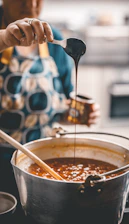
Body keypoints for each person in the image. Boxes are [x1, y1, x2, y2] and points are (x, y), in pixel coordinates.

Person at [0, 0, 100, 198]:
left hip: (44, 161)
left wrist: (77, 114)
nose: (30, 3)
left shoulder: (55, 41)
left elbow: (62, 107)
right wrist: (5, 38)